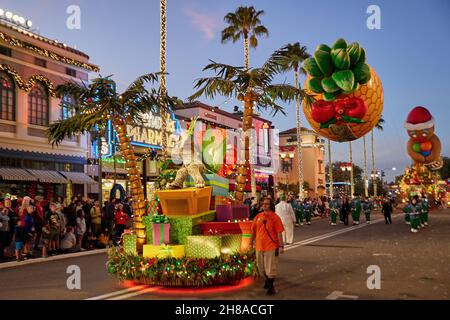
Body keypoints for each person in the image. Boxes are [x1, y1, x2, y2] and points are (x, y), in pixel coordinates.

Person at [250, 197, 284, 295]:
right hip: (259, 246)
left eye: (267, 204)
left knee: (270, 269)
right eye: (263, 204)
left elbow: (279, 233)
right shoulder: (258, 216)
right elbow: (253, 231)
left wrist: (281, 246)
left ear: (271, 206)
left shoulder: (275, 217)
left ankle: (271, 287)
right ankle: (268, 281)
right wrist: (250, 243)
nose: (264, 205)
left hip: (271, 246)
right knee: (261, 269)